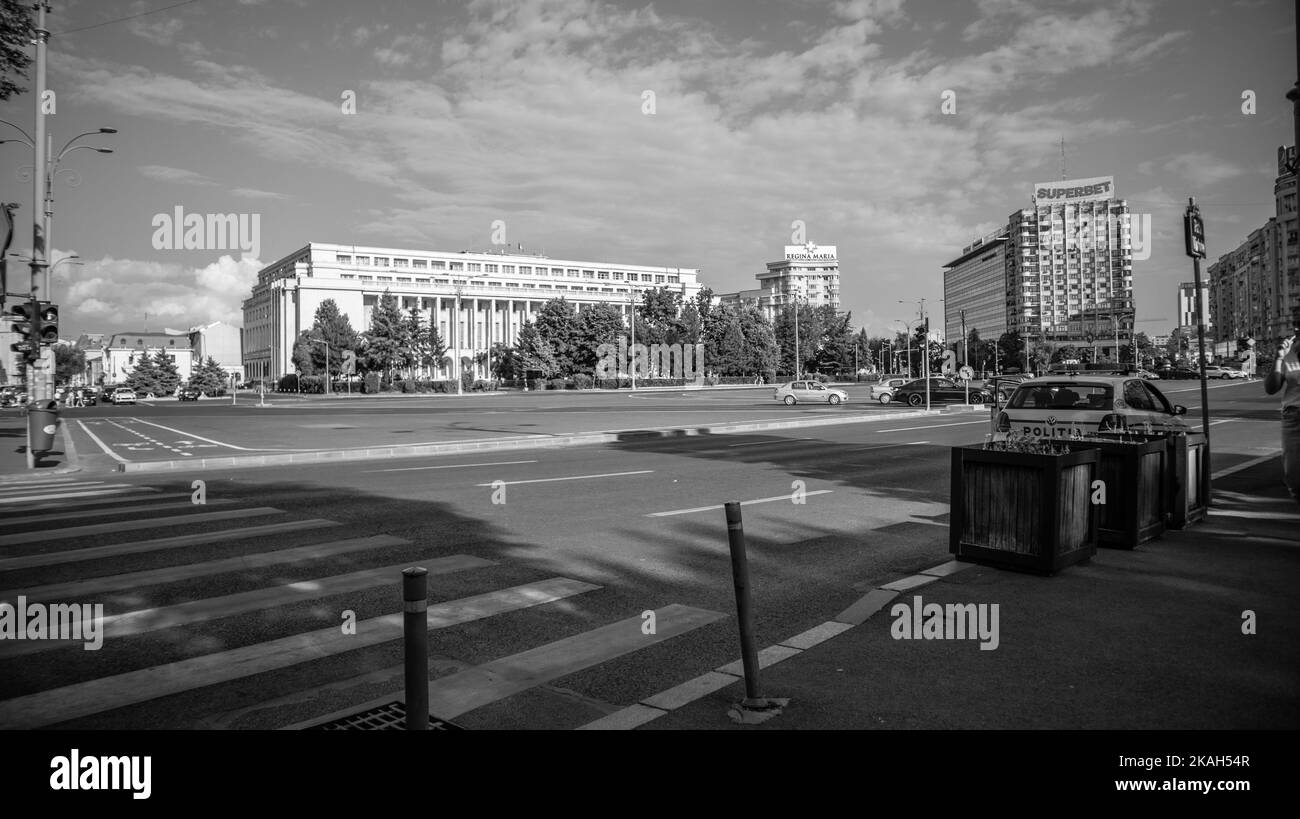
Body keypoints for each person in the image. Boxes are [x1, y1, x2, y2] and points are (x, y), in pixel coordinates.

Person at [1264, 326, 1300, 505]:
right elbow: (1271, 388)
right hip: (1293, 419)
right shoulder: (1289, 353)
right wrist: (1278, 358)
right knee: (1294, 476)